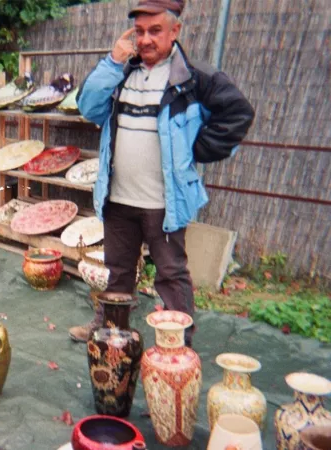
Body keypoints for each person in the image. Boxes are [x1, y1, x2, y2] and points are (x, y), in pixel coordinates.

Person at [68, 0, 255, 346]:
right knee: (118, 271)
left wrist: (196, 150)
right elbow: (88, 106)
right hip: (119, 198)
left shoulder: (193, 78)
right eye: (139, 32)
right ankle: (110, 330)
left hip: (164, 204)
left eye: (155, 31)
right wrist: (112, 62)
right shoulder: (122, 73)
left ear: (175, 31)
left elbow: (238, 113)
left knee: (171, 274)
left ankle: (179, 343)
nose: (145, 40)